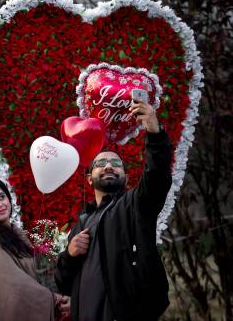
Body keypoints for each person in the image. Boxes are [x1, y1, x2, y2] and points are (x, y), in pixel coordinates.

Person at [54, 99, 172, 321]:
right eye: (101, 164)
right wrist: (69, 254)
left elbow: (157, 177)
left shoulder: (134, 205)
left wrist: (154, 132)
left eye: (116, 164)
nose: (108, 166)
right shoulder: (83, 222)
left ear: (126, 177)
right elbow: (63, 281)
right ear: (89, 179)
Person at [0, 176, 70, 320]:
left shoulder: (15, 233)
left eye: (1, 197)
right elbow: (16, 292)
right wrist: (55, 299)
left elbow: (33, 274)